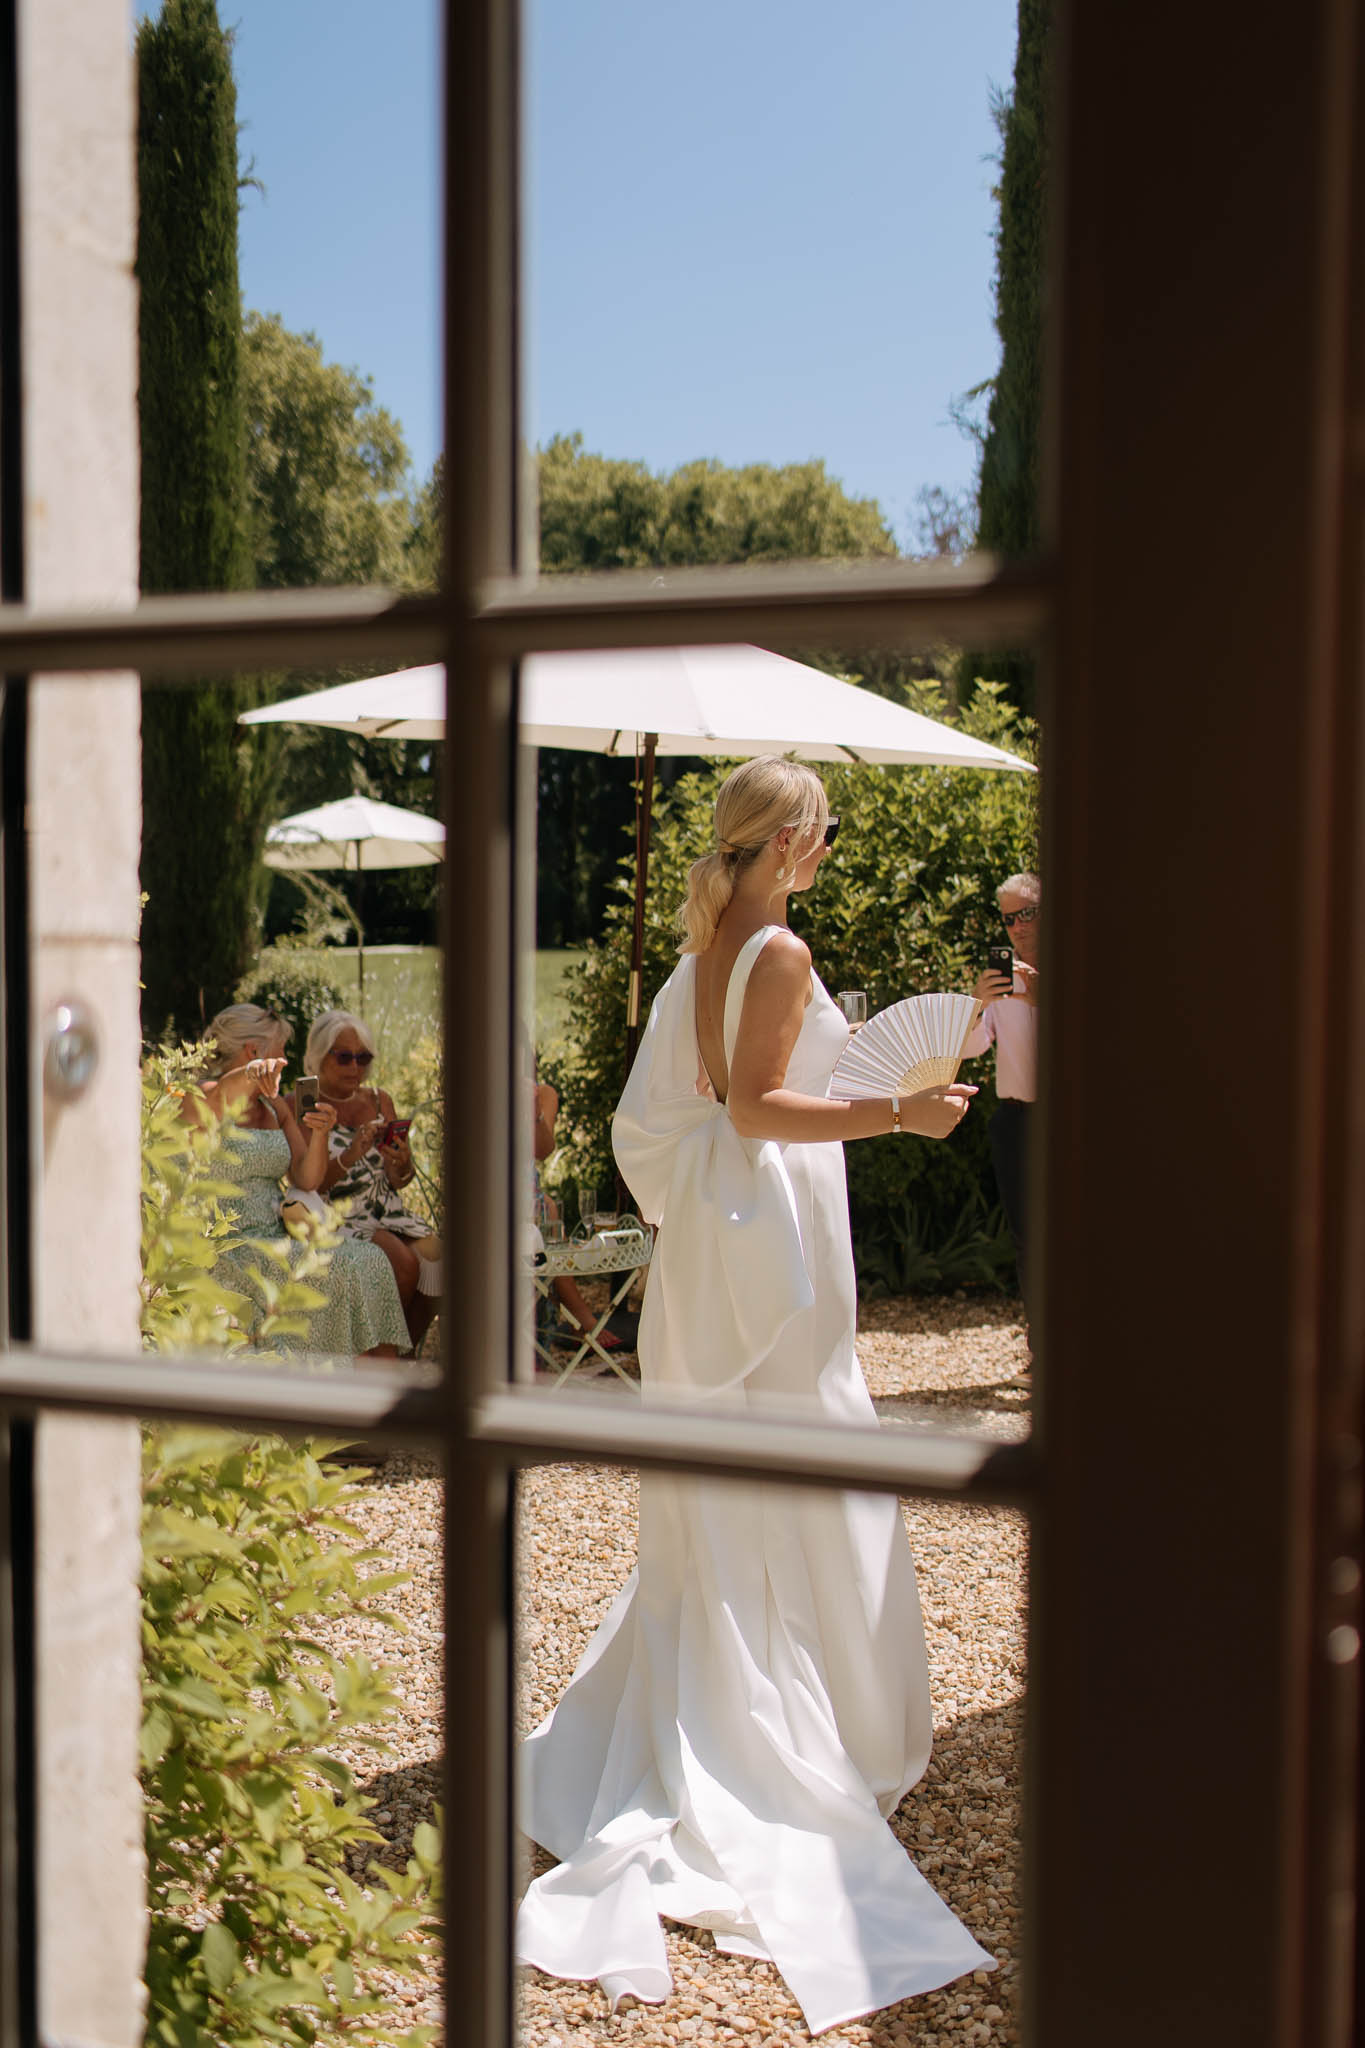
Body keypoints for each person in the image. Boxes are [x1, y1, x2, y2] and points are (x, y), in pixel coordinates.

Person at [517, 759, 993, 2034]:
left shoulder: (700, 945)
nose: (826, 850)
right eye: (823, 833)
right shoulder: (774, 947)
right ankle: (788, 1736)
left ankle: (734, 1710)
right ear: (789, 839)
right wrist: (898, 1113)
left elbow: (698, 1108)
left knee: (739, 1477)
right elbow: (757, 1108)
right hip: (763, 1247)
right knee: (805, 1455)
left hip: (716, 1255)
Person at [184, 1003, 410, 1359]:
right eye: (281, 1050)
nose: (286, 1058)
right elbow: (220, 1097)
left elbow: (307, 1175)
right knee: (347, 1267)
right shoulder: (201, 1097)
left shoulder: (275, 1107)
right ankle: (344, 1381)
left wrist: (320, 1132)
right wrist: (253, 1072)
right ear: (254, 1051)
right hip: (227, 1243)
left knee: (370, 1259)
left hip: (275, 1232)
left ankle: (376, 1386)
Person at [286, 1010, 443, 1353]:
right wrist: (351, 1154)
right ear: (317, 1056)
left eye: (363, 1058)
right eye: (344, 1057)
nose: (355, 1068)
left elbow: (401, 1181)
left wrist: (401, 1163)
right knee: (403, 1264)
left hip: (387, 1209)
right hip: (337, 1213)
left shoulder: (378, 1100)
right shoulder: (304, 1100)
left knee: (441, 1260)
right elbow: (308, 1183)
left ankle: (403, 1353)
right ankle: (375, 1355)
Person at [963, 871, 1040, 1311]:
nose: (1019, 927)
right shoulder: (1000, 976)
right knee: (1027, 1236)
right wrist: (976, 1005)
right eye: (1010, 919)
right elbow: (973, 1048)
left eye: (1028, 913)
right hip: (1016, 1120)